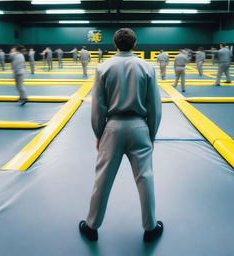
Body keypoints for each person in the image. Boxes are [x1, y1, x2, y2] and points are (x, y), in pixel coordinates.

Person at [79, 28, 163, 243]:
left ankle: (91, 226)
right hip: (140, 127)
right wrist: (151, 134)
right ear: (134, 44)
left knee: (103, 179)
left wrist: (99, 133)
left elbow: (97, 106)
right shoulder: (147, 67)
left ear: (115, 44)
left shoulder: (103, 67)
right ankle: (150, 227)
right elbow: (154, 106)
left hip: (113, 127)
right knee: (145, 178)